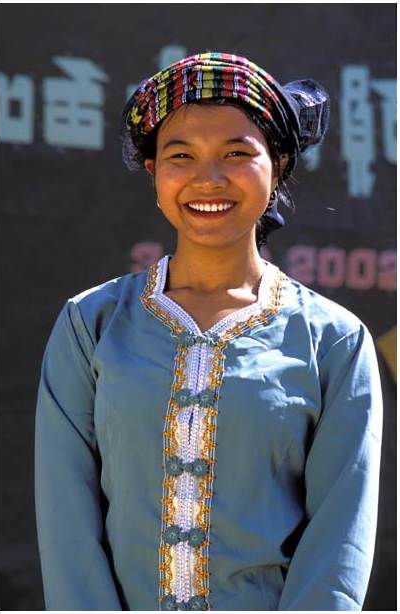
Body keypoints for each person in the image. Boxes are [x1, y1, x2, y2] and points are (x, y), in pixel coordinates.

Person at [34, 52, 383, 611]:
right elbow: (67, 528)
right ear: (153, 171)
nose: (208, 178)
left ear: (279, 163)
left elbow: (338, 548)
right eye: (181, 155)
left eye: (237, 153)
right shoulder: (90, 323)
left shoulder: (335, 342)